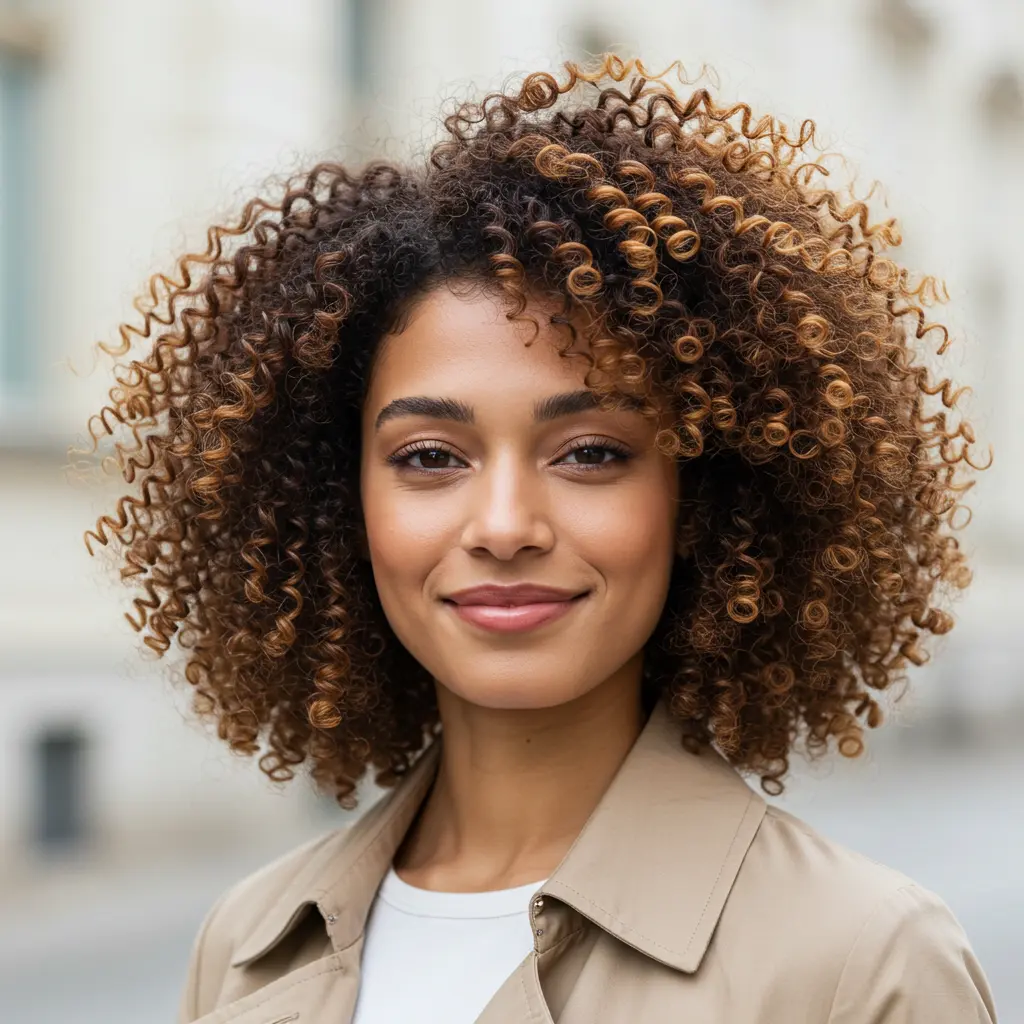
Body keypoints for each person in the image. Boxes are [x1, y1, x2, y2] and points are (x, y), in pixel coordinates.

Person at [84, 55, 997, 1023]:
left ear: (701, 499)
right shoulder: (245, 948)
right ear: (336, 496)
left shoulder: (863, 966)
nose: (506, 526)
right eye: (431, 457)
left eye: (591, 452)